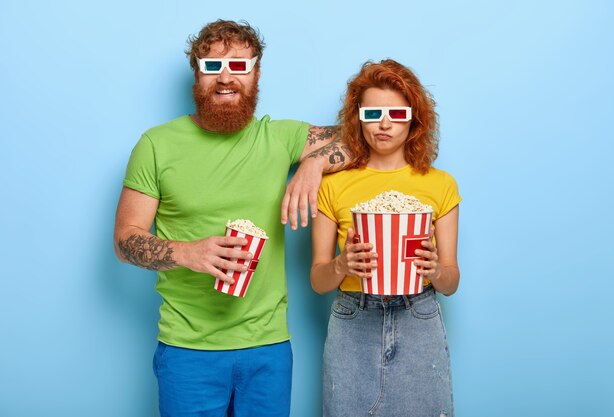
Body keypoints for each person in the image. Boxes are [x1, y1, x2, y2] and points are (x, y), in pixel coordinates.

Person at [114, 20, 351, 417]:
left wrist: (314, 163)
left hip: (268, 349)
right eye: (212, 67)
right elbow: (125, 240)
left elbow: (362, 136)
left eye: (240, 66)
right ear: (197, 74)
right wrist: (187, 253)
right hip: (188, 350)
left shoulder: (279, 137)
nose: (226, 78)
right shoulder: (156, 144)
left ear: (256, 73)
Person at [310, 59, 461, 417]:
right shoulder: (333, 185)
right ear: (358, 117)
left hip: (418, 317)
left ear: (414, 118)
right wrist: (341, 264)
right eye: (373, 112)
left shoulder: (440, 185)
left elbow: (452, 280)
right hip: (353, 318)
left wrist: (435, 270)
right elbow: (317, 279)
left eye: (396, 112)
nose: (384, 123)